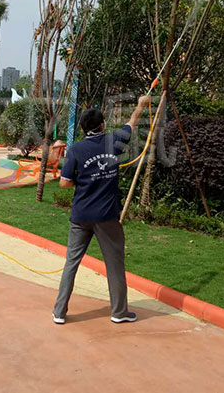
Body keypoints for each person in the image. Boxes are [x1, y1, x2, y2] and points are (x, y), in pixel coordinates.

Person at [53, 95, 151, 325]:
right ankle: (119, 312)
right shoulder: (114, 141)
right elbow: (132, 123)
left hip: (80, 216)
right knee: (114, 264)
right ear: (103, 125)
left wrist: (84, 181)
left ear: (83, 128)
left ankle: (59, 312)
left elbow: (64, 183)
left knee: (71, 263)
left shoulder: (75, 150)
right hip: (107, 217)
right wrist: (141, 104)